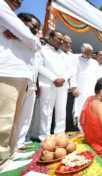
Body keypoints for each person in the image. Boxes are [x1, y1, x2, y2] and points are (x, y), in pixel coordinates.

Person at [0, 0, 42, 162]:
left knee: (14, 121)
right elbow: (30, 39)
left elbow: (36, 44)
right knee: (4, 121)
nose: (19, 1)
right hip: (6, 73)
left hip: (21, 77)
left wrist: (23, 34)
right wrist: (23, 34)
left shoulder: (17, 26)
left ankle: (9, 154)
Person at [16, 13, 58, 147]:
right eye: (34, 27)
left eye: (38, 29)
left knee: (26, 116)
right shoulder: (13, 37)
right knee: (14, 115)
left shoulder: (35, 45)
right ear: (21, 22)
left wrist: (36, 84)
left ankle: (20, 142)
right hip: (17, 80)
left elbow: (35, 66)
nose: (37, 31)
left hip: (32, 84)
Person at [39, 30, 71, 138]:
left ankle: (60, 133)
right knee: (46, 111)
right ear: (51, 38)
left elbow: (69, 70)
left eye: (62, 39)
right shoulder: (42, 50)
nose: (61, 41)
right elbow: (39, 66)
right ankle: (45, 136)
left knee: (61, 110)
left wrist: (63, 78)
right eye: (59, 39)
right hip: (48, 84)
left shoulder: (63, 54)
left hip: (62, 85)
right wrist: (54, 78)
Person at [70, 43, 100, 127]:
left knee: (91, 108)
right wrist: (74, 87)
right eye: (87, 52)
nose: (89, 54)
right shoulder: (76, 59)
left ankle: (90, 126)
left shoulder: (94, 62)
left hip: (92, 89)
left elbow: (97, 76)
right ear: (82, 51)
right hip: (81, 88)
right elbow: (73, 74)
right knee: (81, 108)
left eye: (90, 52)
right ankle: (80, 127)